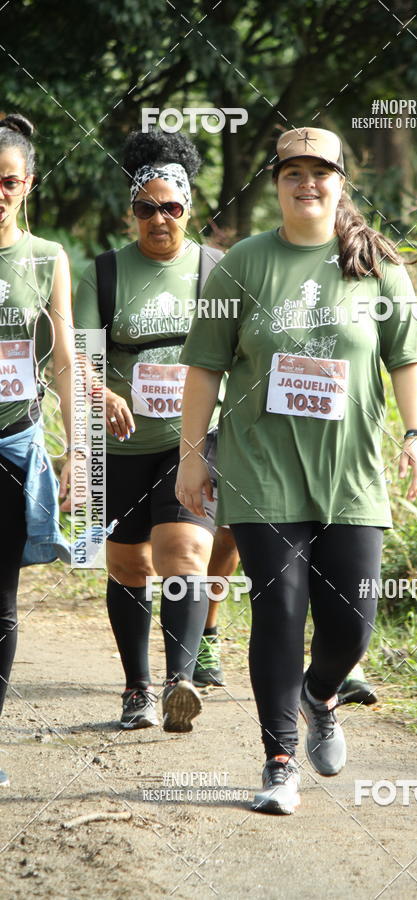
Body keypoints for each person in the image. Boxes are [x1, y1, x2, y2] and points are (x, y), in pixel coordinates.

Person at [176, 127, 417, 813]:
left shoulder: (376, 264)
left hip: (348, 471)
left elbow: (406, 359)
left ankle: (321, 694)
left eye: (321, 172)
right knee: (280, 610)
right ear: (276, 182)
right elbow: (203, 367)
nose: (307, 183)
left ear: (341, 182)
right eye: (294, 172)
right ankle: (279, 760)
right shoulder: (242, 266)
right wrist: (192, 455)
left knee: (353, 624)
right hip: (263, 468)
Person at [73, 128, 238, 734]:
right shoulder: (106, 274)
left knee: (185, 554)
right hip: (118, 449)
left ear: (189, 210)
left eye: (171, 208)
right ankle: (136, 688)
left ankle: (179, 682)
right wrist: (101, 390)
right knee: (126, 568)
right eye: (147, 209)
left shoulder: (218, 272)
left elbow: (246, 352)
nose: (160, 219)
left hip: (193, 443)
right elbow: (81, 355)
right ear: (131, 214)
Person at [0, 113, 73, 788]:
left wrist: (79, 450)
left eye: (8, 181)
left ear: (27, 184)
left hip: (14, 448)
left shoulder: (47, 256)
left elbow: (64, 360)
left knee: (2, 602)